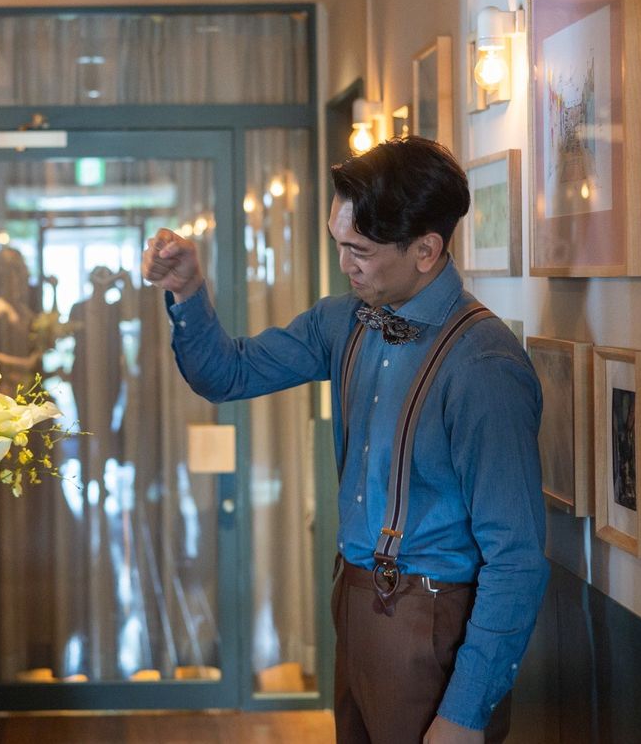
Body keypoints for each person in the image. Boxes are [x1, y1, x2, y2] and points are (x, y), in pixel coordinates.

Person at [142, 136, 549, 743]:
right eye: (338, 243)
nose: (343, 264)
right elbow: (227, 374)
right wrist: (188, 289)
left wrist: (466, 713)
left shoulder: (483, 364)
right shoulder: (343, 320)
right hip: (354, 601)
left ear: (426, 250)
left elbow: (516, 557)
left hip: (433, 624)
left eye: (359, 250)